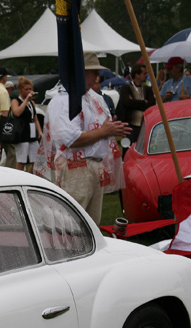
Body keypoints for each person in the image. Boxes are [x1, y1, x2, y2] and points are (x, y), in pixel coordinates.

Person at [42, 52, 130, 224]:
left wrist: (111, 129)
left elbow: (99, 128)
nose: (98, 77)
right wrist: (104, 131)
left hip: (92, 166)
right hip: (76, 167)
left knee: (91, 224)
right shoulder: (63, 101)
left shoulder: (92, 98)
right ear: (78, 73)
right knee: (73, 222)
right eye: (94, 72)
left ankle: (89, 250)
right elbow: (71, 139)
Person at [116, 64, 154, 146]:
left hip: (144, 126)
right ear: (137, 75)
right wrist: (143, 102)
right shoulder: (126, 88)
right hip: (130, 126)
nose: (146, 75)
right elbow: (126, 102)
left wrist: (134, 101)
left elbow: (151, 104)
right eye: (144, 73)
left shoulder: (147, 89)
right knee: (128, 147)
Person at [10, 77, 42, 173]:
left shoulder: (32, 103)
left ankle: (30, 175)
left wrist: (39, 131)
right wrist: (26, 100)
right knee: (22, 160)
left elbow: (35, 118)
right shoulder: (16, 101)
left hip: (32, 134)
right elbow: (17, 113)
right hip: (21, 133)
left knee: (35, 160)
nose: (29, 91)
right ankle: (19, 177)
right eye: (26, 89)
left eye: (30, 89)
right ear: (20, 90)